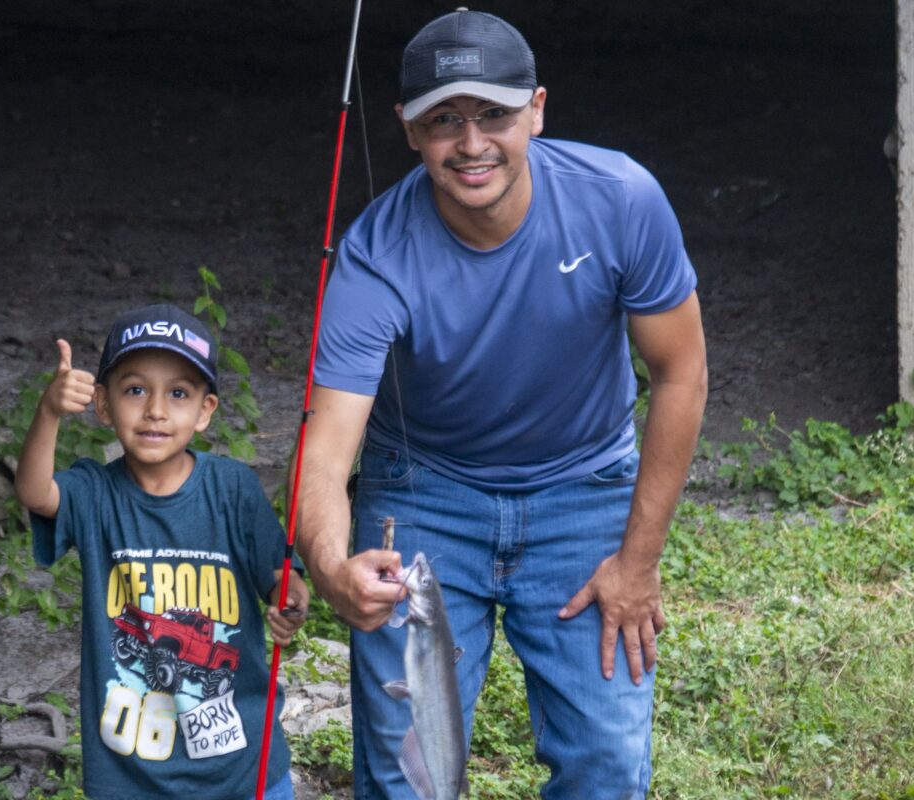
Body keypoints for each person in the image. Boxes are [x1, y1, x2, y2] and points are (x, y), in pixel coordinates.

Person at [294, 9, 707, 800]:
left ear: (538, 110)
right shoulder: (373, 258)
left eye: (494, 115)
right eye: (444, 120)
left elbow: (680, 374)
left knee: (607, 769)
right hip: (425, 496)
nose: (472, 143)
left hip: (583, 491)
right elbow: (326, 446)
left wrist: (639, 560)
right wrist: (330, 562)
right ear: (408, 130)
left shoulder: (620, 199)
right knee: (405, 778)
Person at [16, 303, 308, 800]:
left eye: (178, 393)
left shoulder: (232, 488)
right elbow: (35, 492)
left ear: (205, 412)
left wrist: (291, 598)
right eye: (135, 390)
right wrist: (48, 413)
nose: (155, 409)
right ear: (104, 405)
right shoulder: (94, 492)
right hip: (129, 771)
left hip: (244, 764)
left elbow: (281, 575)